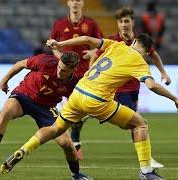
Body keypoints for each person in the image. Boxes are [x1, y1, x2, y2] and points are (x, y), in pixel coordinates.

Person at [0, 34, 178, 180]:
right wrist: (175, 98)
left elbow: (87, 40)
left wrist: (60, 44)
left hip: (79, 91)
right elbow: (151, 85)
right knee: (140, 124)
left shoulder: (117, 44)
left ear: (134, 41)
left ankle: (23, 149)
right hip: (97, 99)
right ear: (146, 52)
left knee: (56, 128)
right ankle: (146, 171)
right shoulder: (140, 61)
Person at [72, 7, 171, 167]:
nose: (124, 24)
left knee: (134, 123)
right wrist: (90, 71)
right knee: (137, 122)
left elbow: (154, 54)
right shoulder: (113, 40)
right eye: (120, 21)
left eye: (126, 21)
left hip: (130, 88)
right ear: (117, 24)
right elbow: (96, 56)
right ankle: (76, 136)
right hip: (111, 88)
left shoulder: (141, 42)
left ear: (132, 22)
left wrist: (163, 73)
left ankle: (145, 158)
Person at [0, 52, 92, 180]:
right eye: (59, 67)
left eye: (64, 71)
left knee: (66, 143)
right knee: (6, 111)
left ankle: (76, 175)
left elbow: (76, 102)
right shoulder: (45, 61)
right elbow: (20, 64)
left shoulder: (75, 83)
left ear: (73, 69)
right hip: (24, 95)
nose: (60, 72)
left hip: (46, 108)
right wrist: (5, 80)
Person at [49, 0, 103, 159]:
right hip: (67, 75)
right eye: (72, 0)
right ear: (68, 3)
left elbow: (100, 45)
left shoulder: (91, 24)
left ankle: (73, 139)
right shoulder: (59, 24)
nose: (75, 3)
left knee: (84, 110)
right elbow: (54, 48)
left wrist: (93, 53)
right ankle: (72, 141)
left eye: (78, 0)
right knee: (74, 110)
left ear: (83, 3)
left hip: (86, 74)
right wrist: (61, 59)